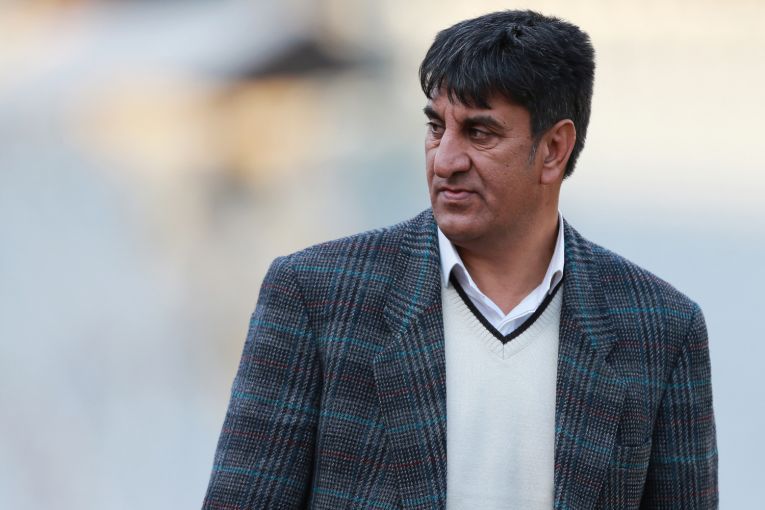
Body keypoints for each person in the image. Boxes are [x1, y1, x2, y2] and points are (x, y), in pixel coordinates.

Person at [202, 10, 717, 510]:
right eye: (436, 128)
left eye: (479, 133)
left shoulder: (662, 329)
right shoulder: (316, 295)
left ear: (554, 149)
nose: (445, 160)